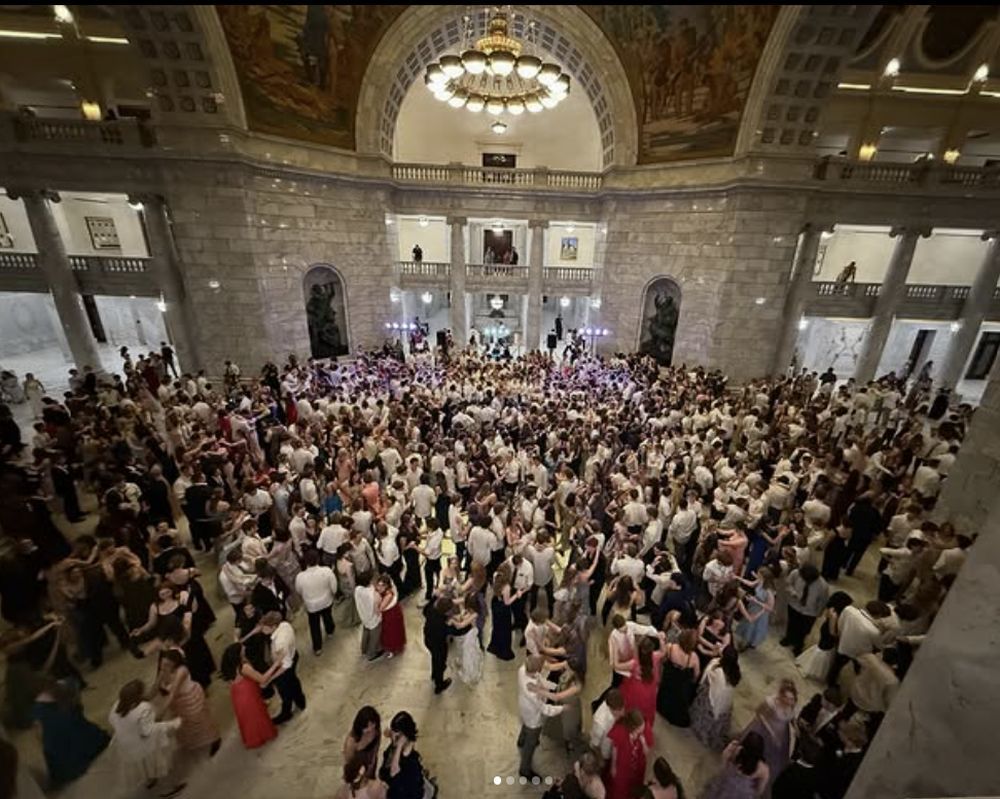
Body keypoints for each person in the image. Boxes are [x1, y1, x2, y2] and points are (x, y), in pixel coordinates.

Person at [107, 680, 185, 795]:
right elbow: (148, 731)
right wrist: (173, 723)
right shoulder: (143, 709)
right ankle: (169, 789)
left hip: (127, 747)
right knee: (161, 763)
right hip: (144, 746)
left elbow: (112, 722)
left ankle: (150, 780)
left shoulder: (116, 707)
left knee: (143, 764)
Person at [31, 680, 109, 787]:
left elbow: (39, 735)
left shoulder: (38, 709)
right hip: (78, 752)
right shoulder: (69, 709)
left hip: (59, 762)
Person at [740, 680, 797, 796]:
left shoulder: (791, 706)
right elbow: (759, 714)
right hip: (765, 731)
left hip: (782, 734)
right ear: (781, 695)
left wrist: (795, 727)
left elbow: (791, 718)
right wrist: (771, 732)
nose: (788, 701)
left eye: (791, 699)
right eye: (786, 697)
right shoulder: (771, 703)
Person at [518, 654, 564, 780]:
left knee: (525, 724)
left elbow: (540, 680)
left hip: (524, 708)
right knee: (531, 743)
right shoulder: (533, 693)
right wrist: (562, 709)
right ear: (537, 670)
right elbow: (545, 709)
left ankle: (521, 740)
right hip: (534, 717)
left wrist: (553, 687)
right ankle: (524, 769)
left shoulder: (522, 669)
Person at [259, 611, 306, 724]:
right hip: (293, 654)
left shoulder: (280, 643)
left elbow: (285, 666)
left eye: (264, 628)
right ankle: (301, 701)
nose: (262, 630)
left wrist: (270, 679)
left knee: (285, 691)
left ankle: (286, 713)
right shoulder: (285, 624)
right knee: (294, 680)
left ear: (273, 627)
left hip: (284, 667)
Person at [690, 648, 741, 751]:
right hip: (725, 703)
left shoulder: (717, 668)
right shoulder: (736, 672)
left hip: (711, 699)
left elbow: (706, 676)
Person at [699, 732, 769, 799]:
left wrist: (730, 746)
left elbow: (723, 763)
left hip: (725, 783)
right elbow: (759, 790)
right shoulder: (763, 769)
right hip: (742, 794)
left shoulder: (735, 750)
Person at [295, 549, 338, 655]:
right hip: (326, 601)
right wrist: (333, 594)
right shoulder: (326, 571)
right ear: (318, 559)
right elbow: (334, 587)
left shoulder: (300, 577)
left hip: (311, 605)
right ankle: (330, 631)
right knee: (327, 616)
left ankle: (317, 647)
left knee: (314, 625)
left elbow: (298, 590)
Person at [657, 629, 700, 727]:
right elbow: (696, 674)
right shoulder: (694, 657)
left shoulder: (670, 647)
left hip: (668, 680)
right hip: (680, 687)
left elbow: (662, 660)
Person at [378, 711, 426, 799]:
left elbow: (394, 773)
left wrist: (399, 745)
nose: (393, 739)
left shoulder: (411, 762)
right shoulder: (393, 747)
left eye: (397, 737)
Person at [607, 709, 648, 799]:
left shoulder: (641, 734)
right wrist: (613, 766)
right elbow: (615, 748)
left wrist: (644, 743)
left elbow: (646, 752)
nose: (642, 730)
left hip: (636, 766)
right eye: (640, 729)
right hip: (623, 766)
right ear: (633, 726)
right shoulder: (621, 731)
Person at [449, 594, 484, 685]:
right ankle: (462, 663)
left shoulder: (475, 614)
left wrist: (453, 621)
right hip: (466, 633)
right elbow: (462, 617)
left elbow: (461, 625)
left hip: (470, 634)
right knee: (463, 651)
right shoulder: (469, 610)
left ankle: (469, 672)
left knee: (468, 653)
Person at [423, 596, 455, 694]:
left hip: (428, 640)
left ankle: (434, 674)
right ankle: (439, 685)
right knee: (440, 663)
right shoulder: (441, 623)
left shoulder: (431, 611)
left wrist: (434, 597)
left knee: (435, 658)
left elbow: (425, 610)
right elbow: (454, 632)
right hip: (438, 645)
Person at [343, 706, 382, 781]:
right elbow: (348, 765)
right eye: (367, 726)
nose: (371, 729)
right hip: (356, 774)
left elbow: (374, 753)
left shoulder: (376, 731)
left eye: (372, 724)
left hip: (370, 768)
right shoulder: (351, 741)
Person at [355, 571, 384, 662]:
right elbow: (378, 609)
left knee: (366, 632)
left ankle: (364, 649)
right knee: (375, 636)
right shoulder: (374, 594)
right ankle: (372, 653)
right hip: (373, 618)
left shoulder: (358, 589)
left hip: (363, 615)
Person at [377, 574, 406, 656]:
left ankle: (393, 649)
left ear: (387, 586)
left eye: (382, 585)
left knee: (391, 632)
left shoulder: (388, 595)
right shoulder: (382, 591)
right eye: (378, 585)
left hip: (391, 615)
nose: (379, 587)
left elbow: (381, 608)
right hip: (390, 613)